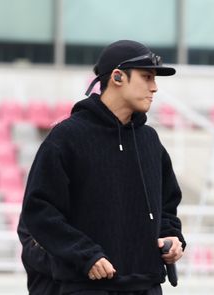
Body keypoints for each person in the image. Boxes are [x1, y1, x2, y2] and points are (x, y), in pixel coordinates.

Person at [18, 39, 186, 295]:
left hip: (148, 286)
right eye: (147, 77)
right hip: (87, 286)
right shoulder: (66, 138)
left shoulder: (150, 140)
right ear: (118, 77)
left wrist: (171, 235)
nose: (154, 88)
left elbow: (167, 205)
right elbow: (40, 212)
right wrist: (85, 255)